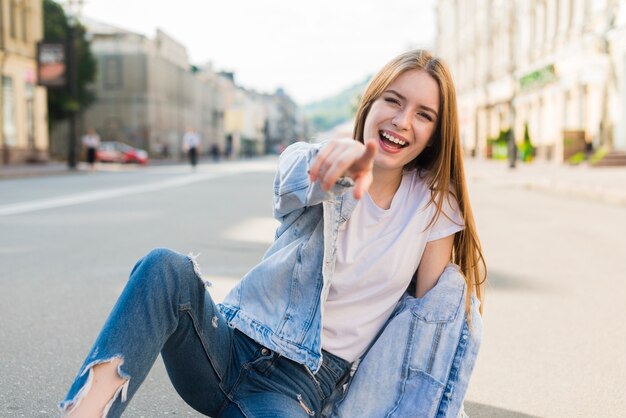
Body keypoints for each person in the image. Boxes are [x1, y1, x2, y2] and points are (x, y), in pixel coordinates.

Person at [59, 50, 486, 418]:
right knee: (164, 268)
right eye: (392, 101)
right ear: (369, 104)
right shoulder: (321, 160)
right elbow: (298, 173)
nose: (402, 120)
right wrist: (339, 162)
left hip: (295, 391)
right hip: (226, 345)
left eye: (423, 114)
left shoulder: (433, 204)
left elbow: (433, 326)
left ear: (435, 133)